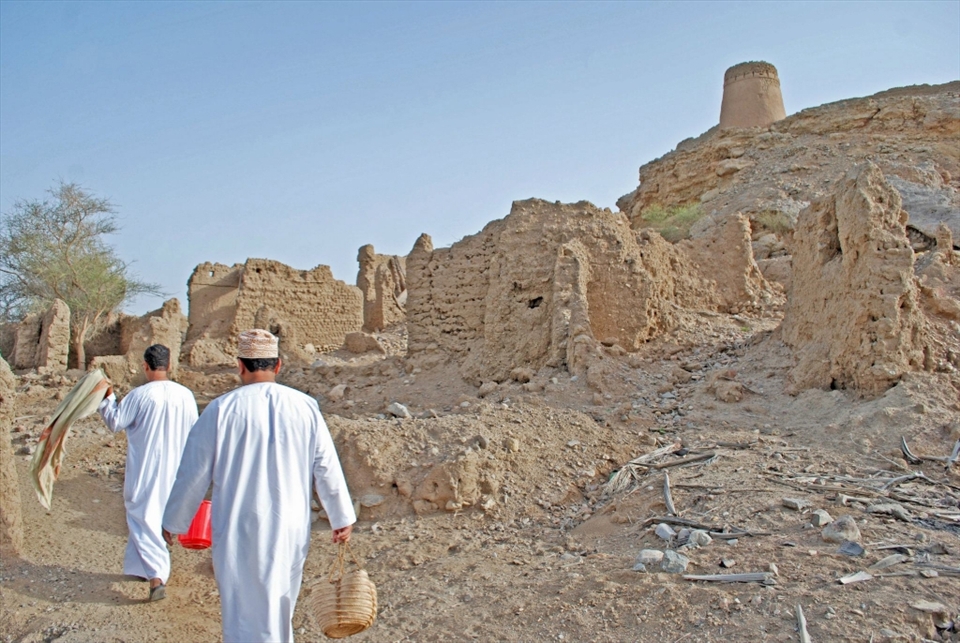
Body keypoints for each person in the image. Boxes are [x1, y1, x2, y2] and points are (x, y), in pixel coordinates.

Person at [162, 329, 356, 643]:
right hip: (289, 525)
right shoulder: (304, 406)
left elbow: (193, 472)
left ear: (239, 365)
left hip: (239, 526)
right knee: (280, 602)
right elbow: (326, 466)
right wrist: (341, 516)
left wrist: (174, 521)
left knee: (240, 608)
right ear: (278, 366)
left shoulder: (221, 409)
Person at [98, 344, 198, 602]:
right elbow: (196, 434)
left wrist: (106, 397)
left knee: (143, 518)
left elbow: (114, 422)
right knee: (153, 518)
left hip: (146, 470)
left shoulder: (139, 395)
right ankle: (139, 568)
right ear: (170, 364)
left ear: (145, 366)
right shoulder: (186, 395)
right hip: (176, 471)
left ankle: (156, 576)